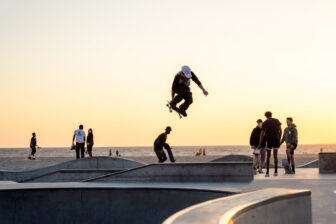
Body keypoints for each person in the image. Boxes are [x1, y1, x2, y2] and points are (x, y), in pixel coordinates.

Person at [258, 111, 282, 177]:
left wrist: (260, 143)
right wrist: (279, 138)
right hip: (276, 140)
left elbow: (262, 134)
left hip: (269, 140)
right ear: (271, 115)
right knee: (275, 156)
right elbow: (280, 130)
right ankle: (276, 172)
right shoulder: (276, 120)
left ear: (265, 116)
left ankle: (267, 173)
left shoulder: (265, 122)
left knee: (268, 156)